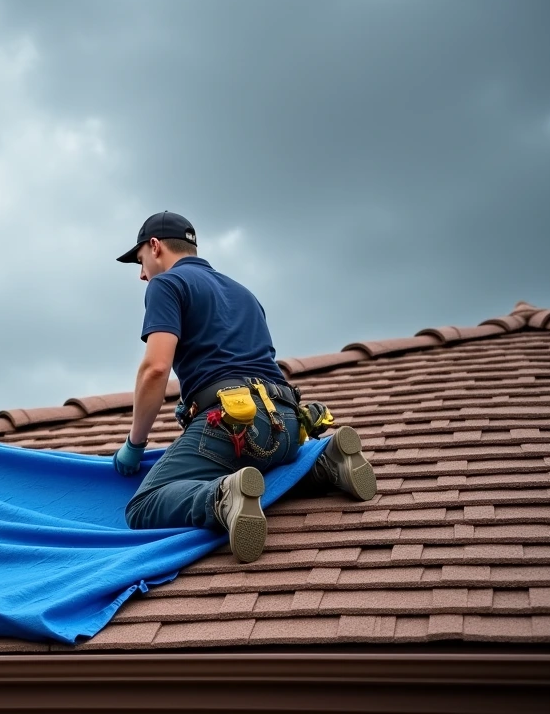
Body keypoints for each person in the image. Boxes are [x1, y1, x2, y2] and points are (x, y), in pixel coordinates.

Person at [107, 211, 376, 563]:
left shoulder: (167, 284)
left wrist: (135, 444)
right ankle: (323, 462)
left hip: (232, 425)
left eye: (141, 260)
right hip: (287, 424)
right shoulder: (244, 293)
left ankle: (222, 496)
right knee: (260, 466)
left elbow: (155, 370)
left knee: (143, 505)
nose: (142, 274)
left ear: (155, 246)